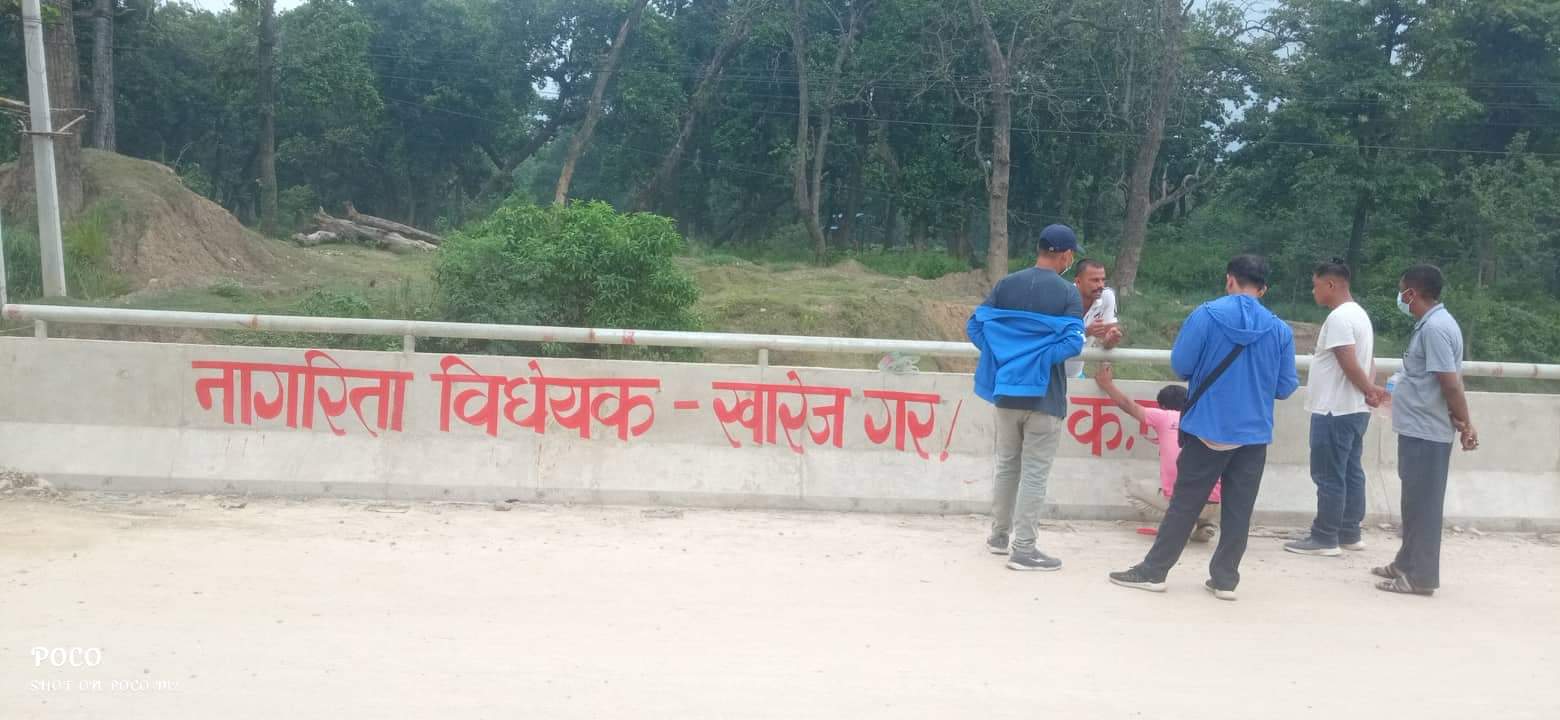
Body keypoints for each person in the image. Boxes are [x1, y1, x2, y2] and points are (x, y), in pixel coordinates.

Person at [1107, 254, 1298, 601]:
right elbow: (1285, 387)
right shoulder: (1280, 330)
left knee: (1185, 504)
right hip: (1253, 433)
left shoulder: (1206, 315)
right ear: (1263, 289)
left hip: (1207, 427)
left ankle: (1154, 571)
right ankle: (1225, 580)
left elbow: (1181, 365)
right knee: (1239, 510)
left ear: (1229, 280)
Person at [967, 224, 1086, 572]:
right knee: (1034, 473)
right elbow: (1073, 342)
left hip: (1005, 394)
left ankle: (998, 537)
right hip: (1045, 398)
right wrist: (1037, 360)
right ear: (1066, 255)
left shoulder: (1007, 284)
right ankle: (1024, 549)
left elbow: (975, 326)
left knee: (1007, 465)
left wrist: (1006, 356)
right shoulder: (1067, 293)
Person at [1373, 264, 1478, 596]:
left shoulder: (1435, 328)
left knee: (1424, 506)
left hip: (1427, 431)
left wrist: (1466, 422)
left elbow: (1450, 382)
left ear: (1411, 293)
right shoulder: (1431, 324)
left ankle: (1420, 578)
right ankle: (1405, 562)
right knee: (1413, 502)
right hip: (1418, 428)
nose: (1400, 297)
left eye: (1401, 290)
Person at [1286, 259, 1386, 557]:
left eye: (1316, 285)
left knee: (1328, 474)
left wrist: (1368, 390)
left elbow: (1348, 360)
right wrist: (1368, 390)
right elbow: (1369, 361)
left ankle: (1325, 537)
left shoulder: (1340, 318)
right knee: (1351, 471)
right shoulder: (1360, 315)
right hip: (1354, 409)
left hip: (1334, 409)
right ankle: (1349, 532)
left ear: (1331, 284)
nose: (1313, 291)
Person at [1094, 363, 1221, 542]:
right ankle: (1206, 525)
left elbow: (1127, 405)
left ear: (1162, 406)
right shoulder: (1203, 419)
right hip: (1217, 503)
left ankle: (1180, 522)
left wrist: (1107, 385)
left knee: (1132, 489)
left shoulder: (1164, 416)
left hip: (1183, 502)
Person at [1065, 259, 1123, 378]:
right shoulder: (1063, 296)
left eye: (1103, 280)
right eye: (1095, 280)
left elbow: (1106, 343)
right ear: (1078, 281)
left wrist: (1110, 340)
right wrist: (1087, 331)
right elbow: (1054, 339)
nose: (1101, 285)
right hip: (1049, 375)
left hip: (1076, 374)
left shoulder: (1107, 296)